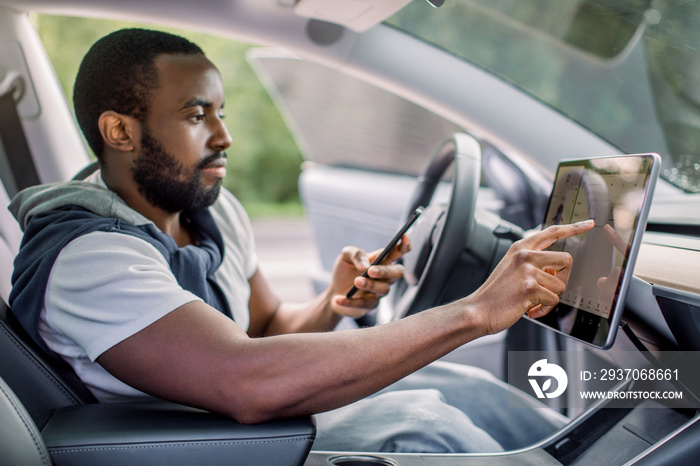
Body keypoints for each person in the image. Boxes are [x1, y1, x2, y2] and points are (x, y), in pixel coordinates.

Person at [9, 28, 594, 453]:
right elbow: (246, 378)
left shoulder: (210, 210)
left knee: (467, 388)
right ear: (120, 131)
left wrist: (333, 305)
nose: (225, 136)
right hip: (206, 443)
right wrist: (473, 312)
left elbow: (262, 332)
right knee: (419, 421)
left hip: (246, 417)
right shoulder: (88, 256)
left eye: (221, 112)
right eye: (196, 116)